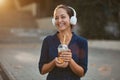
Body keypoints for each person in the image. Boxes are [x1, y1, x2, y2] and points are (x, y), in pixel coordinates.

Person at [38, 4, 88, 80]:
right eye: (56, 18)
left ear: (71, 19)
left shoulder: (82, 42)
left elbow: (82, 73)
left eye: (63, 17)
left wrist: (70, 60)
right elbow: (42, 70)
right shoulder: (48, 40)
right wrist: (54, 62)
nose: (59, 20)